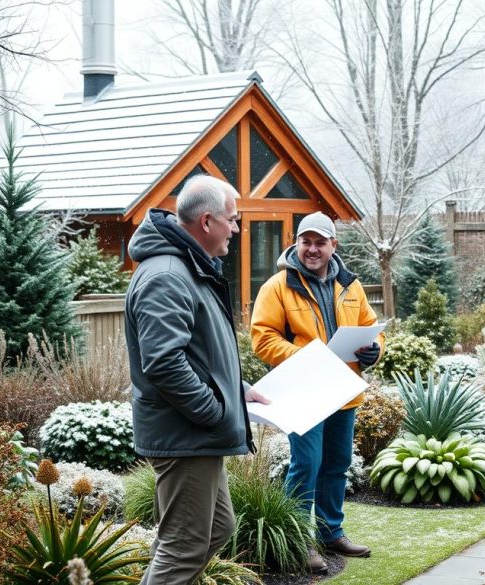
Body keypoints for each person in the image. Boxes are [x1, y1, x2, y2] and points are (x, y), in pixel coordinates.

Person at [125, 175, 270, 583]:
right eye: (233, 219)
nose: (237, 229)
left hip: (196, 433)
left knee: (217, 528)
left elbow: (196, 353)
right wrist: (215, 411)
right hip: (185, 435)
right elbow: (164, 363)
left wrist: (235, 391)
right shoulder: (168, 276)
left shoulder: (190, 268)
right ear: (207, 222)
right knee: (184, 545)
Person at [250, 211, 383, 573]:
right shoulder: (278, 286)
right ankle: (298, 539)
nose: (312, 249)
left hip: (342, 390)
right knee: (306, 464)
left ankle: (330, 532)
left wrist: (375, 348)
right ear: (295, 243)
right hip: (304, 391)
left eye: (319, 242)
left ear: (332, 245)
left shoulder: (350, 285)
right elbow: (263, 338)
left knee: (337, 463)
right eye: (305, 242)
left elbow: (371, 327)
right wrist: (308, 358)